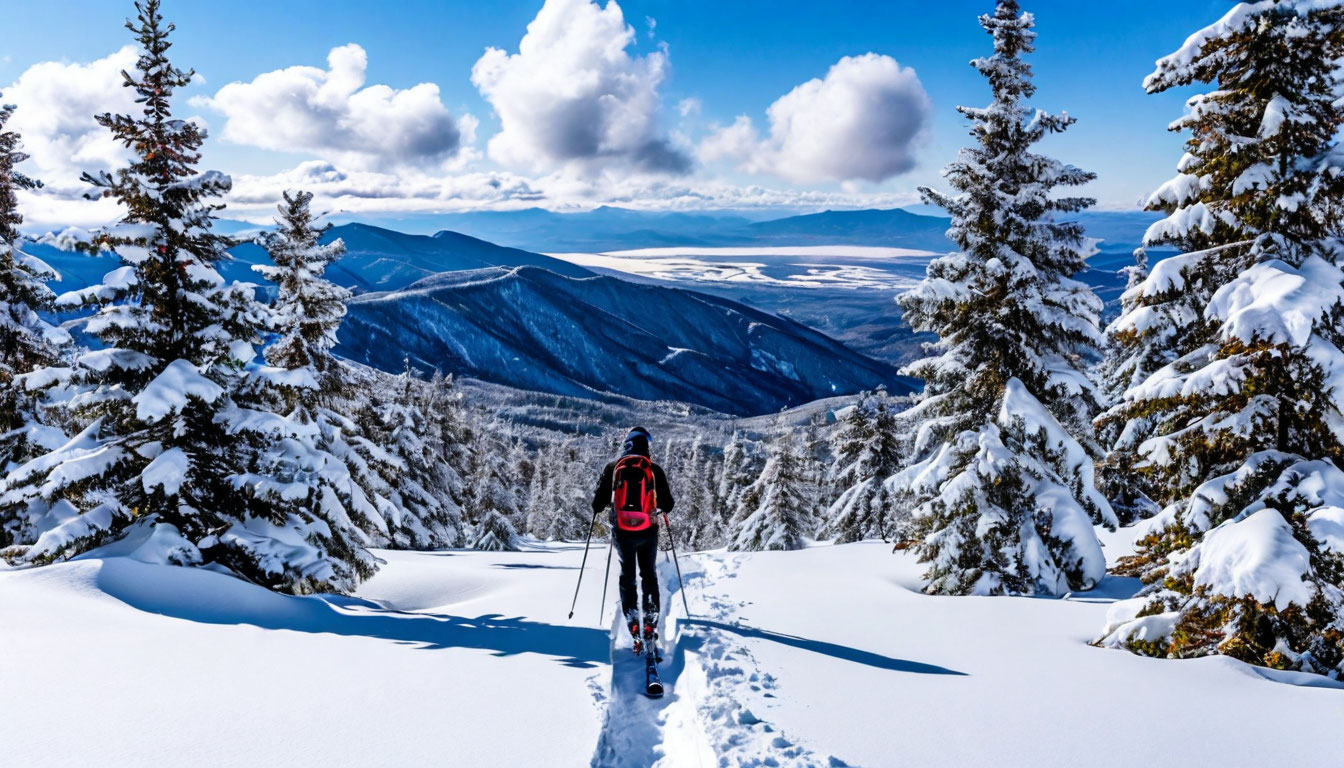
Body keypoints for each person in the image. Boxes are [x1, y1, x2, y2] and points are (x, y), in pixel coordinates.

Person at [592, 426, 674, 653]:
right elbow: (668, 505)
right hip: (648, 531)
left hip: (622, 532)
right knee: (648, 574)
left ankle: (632, 621)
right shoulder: (653, 469)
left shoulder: (613, 468)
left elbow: (596, 504)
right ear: (646, 446)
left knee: (626, 576)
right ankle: (650, 620)